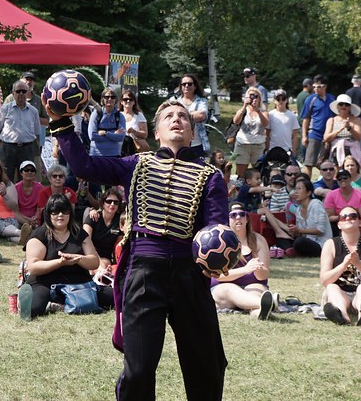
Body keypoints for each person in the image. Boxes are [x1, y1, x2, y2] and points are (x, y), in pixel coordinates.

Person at [49, 96, 228, 400]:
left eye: (183, 116)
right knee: (139, 369)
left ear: (192, 132)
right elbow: (84, 165)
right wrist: (61, 123)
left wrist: (222, 244)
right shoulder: (136, 164)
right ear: (156, 131)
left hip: (190, 275)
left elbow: (216, 223)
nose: (176, 119)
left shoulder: (210, 176)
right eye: (169, 116)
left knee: (206, 364)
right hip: (144, 273)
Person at [17, 193, 111, 319]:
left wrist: (79, 259)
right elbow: (33, 267)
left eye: (64, 211)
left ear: (70, 213)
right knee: (33, 309)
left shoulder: (79, 233)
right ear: (48, 214)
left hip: (78, 283)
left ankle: (60, 303)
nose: (60, 215)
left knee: (116, 297)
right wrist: (60, 262)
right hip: (45, 283)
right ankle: (47, 303)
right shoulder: (39, 235)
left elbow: (94, 262)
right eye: (55, 211)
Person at [319, 205, 361, 325]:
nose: (348, 218)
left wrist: (358, 264)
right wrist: (343, 265)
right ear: (339, 224)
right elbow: (324, 280)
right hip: (340, 294)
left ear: (359, 222)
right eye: (344, 217)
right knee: (331, 287)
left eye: (353, 216)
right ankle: (342, 315)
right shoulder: (330, 244)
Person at [210, 202, 274, 320]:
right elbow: (218, 276)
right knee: (229, 289)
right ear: (227, 219)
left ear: (247, 219)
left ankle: (261, 311)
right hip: (222, 289)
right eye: (233, 215)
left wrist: (257, 269)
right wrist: (245, 270)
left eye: (241, 214)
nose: (238, 217)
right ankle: (270, 303)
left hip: (253, 285)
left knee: (255, 291)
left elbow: (263, 276)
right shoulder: (219, 241)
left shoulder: (258, 240)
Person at [0, 80, 43, 178]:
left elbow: (37, 133)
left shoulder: (33, 111)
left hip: (27, 149)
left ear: (27, 93)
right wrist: (2, 142)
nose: (21, 94)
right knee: (6, 177)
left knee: (26, 178)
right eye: (18, 91)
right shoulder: (5, 109)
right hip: (8, 148)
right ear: (13, 93)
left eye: (24, 91)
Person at [230, 88, 269, 183]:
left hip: (258, 146)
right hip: (242, 145)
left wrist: (257, 110)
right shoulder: (243, 110)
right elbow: (236, 121)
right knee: (241, 176)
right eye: (251, 96)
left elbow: (265, 124)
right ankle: (241, 194)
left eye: (256, 96)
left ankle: (257, 195)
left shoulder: (263, 111)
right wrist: (244, 106)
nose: (254, 98)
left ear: (260, 99)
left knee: (258, 175)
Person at [300, 75, 335, 176]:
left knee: (327, 164)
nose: (316, 89)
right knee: (309, 163)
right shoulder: (310, 100)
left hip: (328, 135)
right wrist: (304, 136)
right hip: (314, 134)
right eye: (314, 86)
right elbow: (305, 119)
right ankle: (307, 185)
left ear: (325, 86)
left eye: (318, 87)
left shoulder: (332, 99)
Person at [322, 93, 361, 176]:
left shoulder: (356, 120)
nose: (343, 106)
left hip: (352, 150)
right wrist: (339, 130)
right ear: (337, 106)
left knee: (352, 173)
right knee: (336, 174)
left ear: (350, 107)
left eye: (347, 105)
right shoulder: (332, 120)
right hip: (336, 150)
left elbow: (358, 137)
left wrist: (349, 128)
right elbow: (326, 138)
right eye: (341, 104)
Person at [84, 188, 124, 271]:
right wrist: (97, 260)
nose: (112, 204)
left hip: (106, 258)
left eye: (116, 202)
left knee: (105, 266)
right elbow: (85, 241)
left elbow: (118, 245)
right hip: (89, 254)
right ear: (102, 203)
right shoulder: (93, 217)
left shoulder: (119, 221)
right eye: (109, 201)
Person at [177, 74, 210, 155]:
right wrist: (192, 114)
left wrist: (181, 115)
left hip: (197, 144)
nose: (186, 86)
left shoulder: (202, 101)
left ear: (195, 86)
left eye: (190, 84)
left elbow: (201, 116)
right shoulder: (176, 102)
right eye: (184, 84)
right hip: (179, 143)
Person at [90, 87, 127, 157]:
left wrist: (105, 133)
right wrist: (113, 135)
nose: (110, 99)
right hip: (96, 155)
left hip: (114, 155)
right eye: (107, 97)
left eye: (112, 97)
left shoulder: (120, 116)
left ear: (116, 100)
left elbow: (121, 137)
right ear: (103, 99)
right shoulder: (96, 114)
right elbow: (92, 136)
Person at [267, 90, 299, 157]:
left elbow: (295, 136)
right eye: (278, 99)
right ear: (274, 101)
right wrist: (267, 149)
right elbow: (267, 134)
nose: (281, 101)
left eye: (283, 99)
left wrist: (294, 151)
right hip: (273, 149)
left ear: (286, 100)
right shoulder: (270, 115)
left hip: (287, 149)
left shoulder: (292, 115)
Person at [121, 88, 148, 154]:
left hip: (135, 149)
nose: (128, 101)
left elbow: (145, 134)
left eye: (130, 99)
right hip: (120, 147)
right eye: (125, 99)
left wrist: (134, 131)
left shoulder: (139, 115)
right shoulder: (118, 115)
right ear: (121, 102)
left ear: (134, 102)